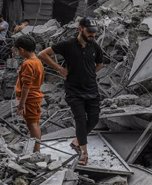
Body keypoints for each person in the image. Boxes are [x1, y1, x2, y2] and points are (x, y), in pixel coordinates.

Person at [38, 17, 103, 165]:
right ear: (80, 28)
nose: (92, 35)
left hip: (92, 89)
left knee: (94, 119)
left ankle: (76, 142)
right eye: (89, 31)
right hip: (74, 90)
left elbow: (100, 63)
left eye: (94, 32)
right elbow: (42, 54)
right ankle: (83, 153)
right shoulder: (68, 45)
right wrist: (59, 68)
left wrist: (90, 72)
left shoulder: (94, 46)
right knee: (80, 120)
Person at [14, 35, 44, 153]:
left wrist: (21, 105)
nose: (17, 53)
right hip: (35, 95)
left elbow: (26, 86)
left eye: (17, 50)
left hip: (30, 98)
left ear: (21, 49)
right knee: (35, 123)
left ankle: (36, 152)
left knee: (32, 125)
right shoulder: (37, 61)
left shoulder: (28, 64)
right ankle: (36, 149)